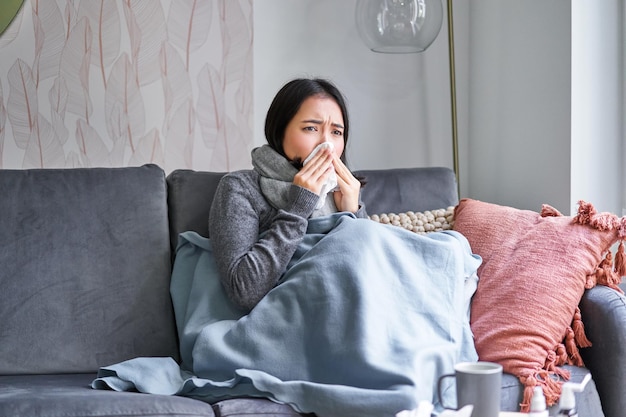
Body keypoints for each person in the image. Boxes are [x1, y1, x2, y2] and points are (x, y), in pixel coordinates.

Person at [209, 78, 366, 311]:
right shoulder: (240, 188)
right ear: (280, 130)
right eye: (311, 128)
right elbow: (244, 291)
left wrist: (354, 215)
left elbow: (368, 275)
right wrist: (298, 207)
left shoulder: (343, 192)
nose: (327, 144)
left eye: (336, 132)